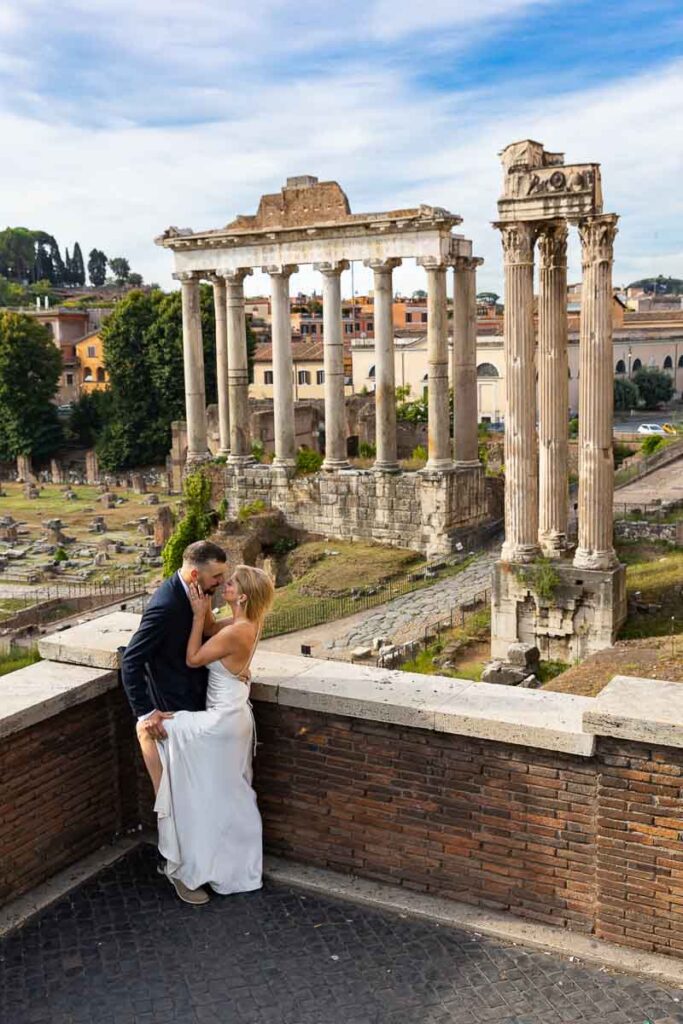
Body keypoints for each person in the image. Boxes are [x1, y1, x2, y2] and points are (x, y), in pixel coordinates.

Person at [136, 564, 275, 907]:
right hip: (234, 720)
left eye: (231, 584)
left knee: (147, 729)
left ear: (242, 596)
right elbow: (217, 628)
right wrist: (207, 616)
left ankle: (164, 799)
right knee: (225, 797)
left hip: (221, 724)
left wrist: (198, 616)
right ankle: (227, 866)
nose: (224, 585)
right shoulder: (246, 623)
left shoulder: (237, 631)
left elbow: (194, 657)